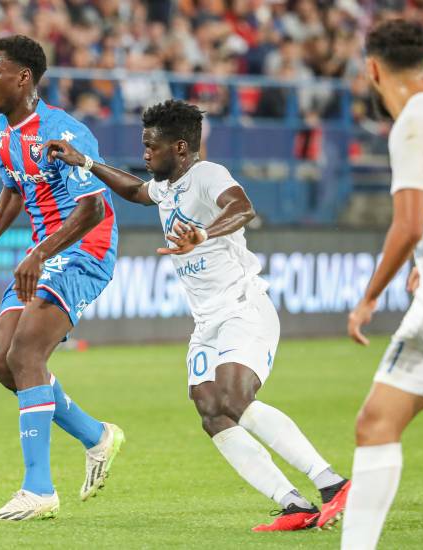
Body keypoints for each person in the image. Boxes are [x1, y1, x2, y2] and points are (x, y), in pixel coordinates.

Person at [44, 99, 350, 531]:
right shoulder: (168, 185)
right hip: (206, 320)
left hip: (242, 307)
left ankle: (333, 484)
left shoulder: (208, 175)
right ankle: (293, 505)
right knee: (211, 409)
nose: (145, 153)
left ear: (181, 147)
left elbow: (243, 208)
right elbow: (135, 191)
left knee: (234, 397)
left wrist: (204, 232)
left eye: (152, 146)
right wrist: (88, 162)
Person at [0, 34, 124, 521]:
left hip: (83, 249)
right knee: (2, 362)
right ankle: (97, 436)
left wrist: (40, 253)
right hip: (44, 253)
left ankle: (39, 490)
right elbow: (12, 190)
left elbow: (93, 208)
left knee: (26, 352)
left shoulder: (62, 132)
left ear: (23, 77)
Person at [343, 19, 423, 550]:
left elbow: (407, 223)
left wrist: (368, 298)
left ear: (372, 70)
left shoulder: (409, 126)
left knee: (375, 422)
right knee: (376, 421)